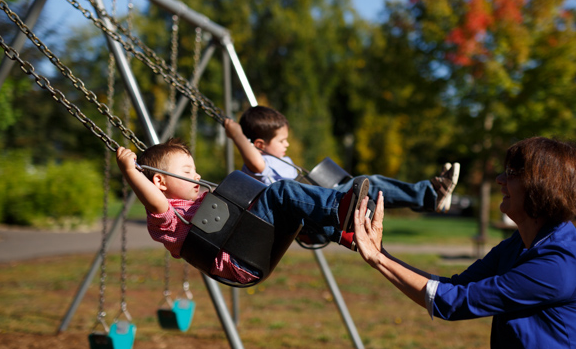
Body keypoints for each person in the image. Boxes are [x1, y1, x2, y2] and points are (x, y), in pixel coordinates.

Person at [354, 136, 576, 348]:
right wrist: (382, 255)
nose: (500, 179)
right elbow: (454, 287)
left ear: (541, 187)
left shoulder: (557, 264)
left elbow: (455, 302)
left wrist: (379, 259)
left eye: (512, 173)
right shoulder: (520, 242)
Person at [116, 139, 372, 285]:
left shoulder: (199, 202)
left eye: (194, 170)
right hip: (237, 256)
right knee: (281, 191)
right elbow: (154, 202)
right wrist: (130, 171)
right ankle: (340, 208)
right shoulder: (169, 219)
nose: (197, 175)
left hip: (244, 248)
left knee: (291, 208)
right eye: (186, 172)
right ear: (160, 182)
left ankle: (346, 235)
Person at [224, 106, 459, 211]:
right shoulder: (257, 165)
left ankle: (429, 198)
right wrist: (236, 134)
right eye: (281, 140)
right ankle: (429, 194)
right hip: (305, 212)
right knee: (368, 183)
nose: (286, 145)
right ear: (259, 145)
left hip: (313, 204)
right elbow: (255, 162)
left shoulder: (276, 161)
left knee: (370, 189)